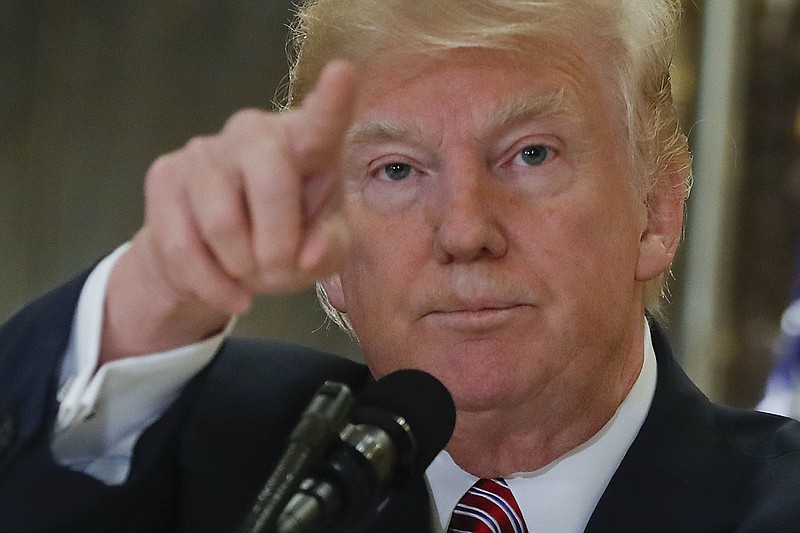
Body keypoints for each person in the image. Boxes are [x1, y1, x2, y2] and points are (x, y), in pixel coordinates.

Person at [2, 0, 800, 531]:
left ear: (656, 212)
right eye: (395, 169)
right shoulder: (205, 450)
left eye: (529, 154)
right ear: (330, 249)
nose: (464, 229)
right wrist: (157, 290)